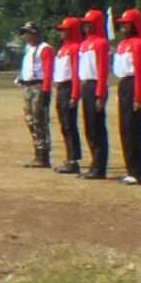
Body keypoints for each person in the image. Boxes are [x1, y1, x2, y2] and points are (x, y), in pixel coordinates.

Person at [112, 8, 141, 185]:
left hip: (133, 83)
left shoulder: (138, 43)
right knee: (124, 129)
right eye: (122, 24)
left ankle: (137, 171)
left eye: (126, 23)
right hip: (123, 84)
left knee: (134, 130)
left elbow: (140, 71)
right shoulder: (122, 44)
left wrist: (139, 96)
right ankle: (129, 169)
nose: (123, 27)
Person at [14, 21, 55, 168]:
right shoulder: (28, 49)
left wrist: (45, 89)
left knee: (40, 121)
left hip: (38, 86)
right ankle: (37, 152)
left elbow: (48, 70)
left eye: (27, 33)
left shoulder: (45, 48)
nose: (25, 36)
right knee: (30, 120)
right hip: (27, 86)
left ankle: (43, 155)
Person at [77, 8, 112, 180]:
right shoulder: (84, 44)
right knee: (89, 127)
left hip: (95, 85)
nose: (86, 27)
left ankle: (100, 167)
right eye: (85, 24)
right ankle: (94, 163)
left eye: (89, 24)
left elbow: (102, 70)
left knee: (97, 128)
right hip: (86, 86)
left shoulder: (101, 43)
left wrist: (100, 94)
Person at [52, 17, 83, 175]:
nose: (61, 33)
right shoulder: (63, 48)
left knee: (70, 125)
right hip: (61, 87)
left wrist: (75, 94)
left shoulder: (75, 48)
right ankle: (69, 156)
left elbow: (76, 73)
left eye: (64, 30)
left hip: (69, 87)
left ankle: (73, 159)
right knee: (64, 124)